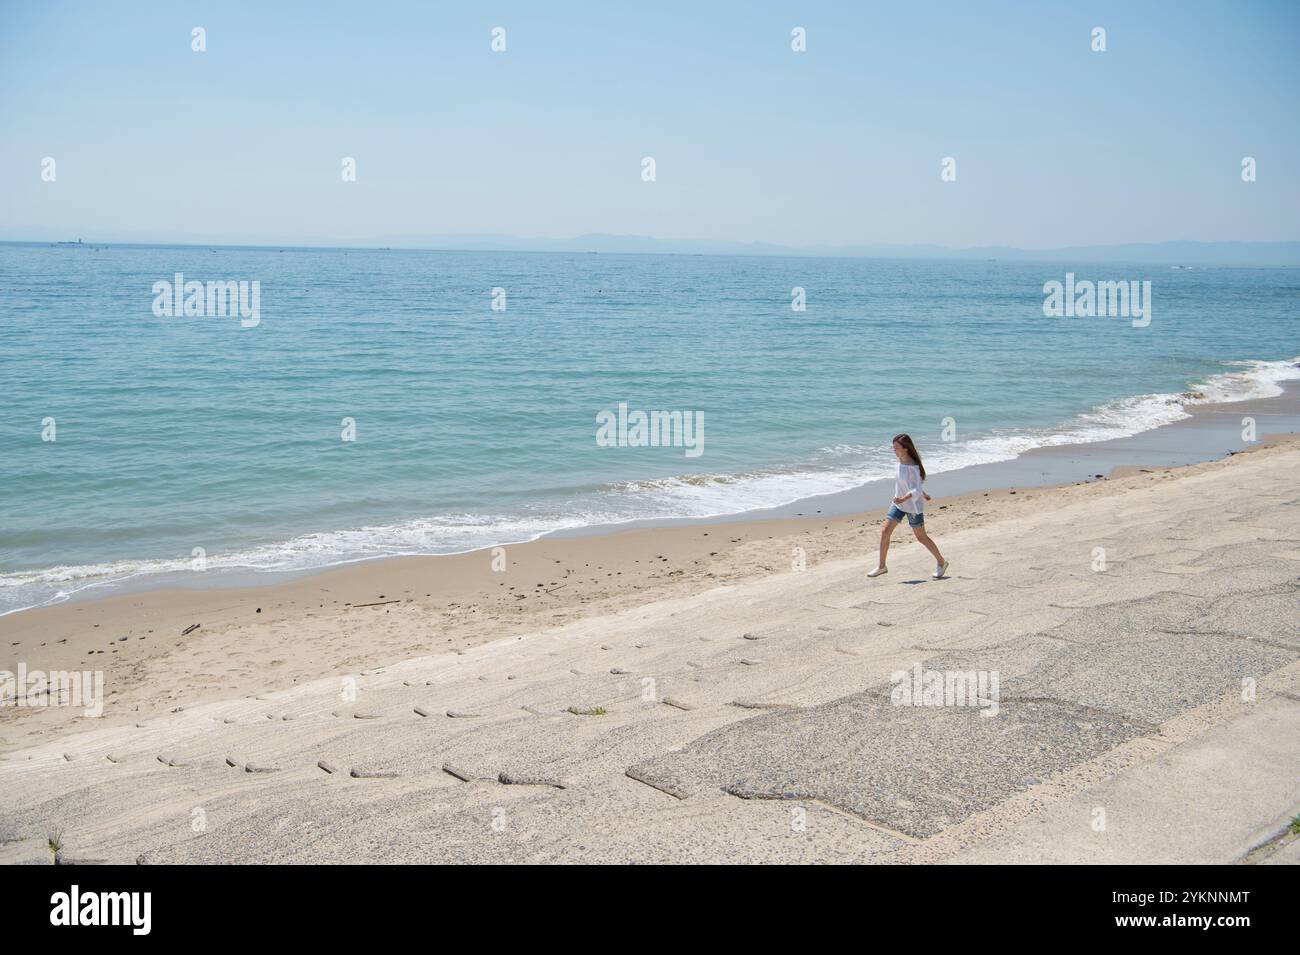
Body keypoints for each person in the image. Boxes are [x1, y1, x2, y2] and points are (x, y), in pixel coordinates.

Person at [867, 433, 949, 579]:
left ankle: (941, 562)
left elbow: (914, 488)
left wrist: (908, 497)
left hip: (912, 506)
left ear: (905, 449)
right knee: (885, 532)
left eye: (896, 448)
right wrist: (923, 493)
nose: (894, 450)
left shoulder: (913, 466)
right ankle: (882, 566)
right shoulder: (900, 461)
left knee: (921, 537)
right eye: (893, 448)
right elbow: (910, 485)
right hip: (898, 504)